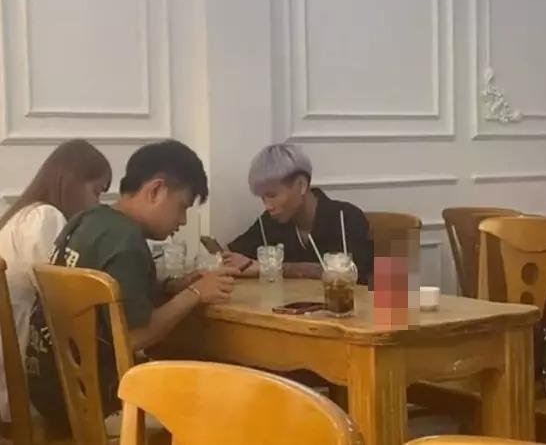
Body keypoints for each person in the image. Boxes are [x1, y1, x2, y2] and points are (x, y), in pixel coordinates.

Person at [26, 140, 238, 435]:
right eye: (182, 207)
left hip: (51, 388)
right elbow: (135, 337)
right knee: (226, 399)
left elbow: (111, 298)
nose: (182, 220)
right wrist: (196, 294)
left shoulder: (88, 220)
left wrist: (174, 286)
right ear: (156, 190)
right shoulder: (125, 241)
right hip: (101, 401)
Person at [0, 139, 112, 422]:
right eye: (96, 191)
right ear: (72, 183)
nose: (97, 204)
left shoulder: (21, 215)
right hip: (21, 373)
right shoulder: (45, 217)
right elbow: (63, 295)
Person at [223, 144, 373, 284]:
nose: (267, 206)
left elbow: (352, 273)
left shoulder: (346, 217)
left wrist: (271, 267)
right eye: (263, 198)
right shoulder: (270, 221)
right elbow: (233, 254)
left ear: (301, 185)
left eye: (272, 195)